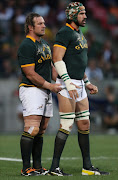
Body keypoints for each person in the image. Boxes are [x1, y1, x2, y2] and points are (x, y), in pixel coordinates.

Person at [48, 2, 109, 176]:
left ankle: (87, 167)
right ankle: (54, 168)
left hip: (79, 83)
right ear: (73, 15)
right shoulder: (64, 32)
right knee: (67, 124)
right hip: (67, 83)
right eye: (82, 13)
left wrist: (87, 81)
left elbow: (78, 62)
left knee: (84, 123)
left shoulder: (79, 33)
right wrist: (67, 82)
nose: (85, 16)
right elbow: (57, 59)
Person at [17, 12, 62, 176]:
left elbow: (51, 68)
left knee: (41, 129)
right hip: (31, 89)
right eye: (40, 23)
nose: (44, 25)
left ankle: (37, 166)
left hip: (45, 90)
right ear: (30, 27)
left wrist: (63, 79)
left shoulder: (44, 44)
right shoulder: (27, 45)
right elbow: (30, 74)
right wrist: (50, 85)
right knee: (32, 128)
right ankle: (26, 168)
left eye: (44, 23)